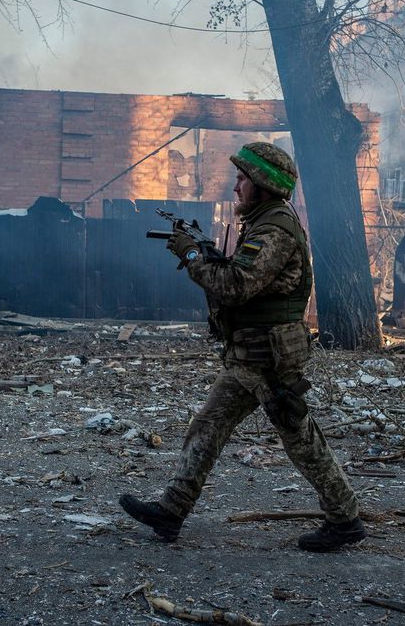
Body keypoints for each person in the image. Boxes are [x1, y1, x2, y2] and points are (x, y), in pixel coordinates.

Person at [119, 142, 365, 552]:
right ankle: (171, 511)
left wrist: (195, 256)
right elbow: (243, 277)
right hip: (248, 355)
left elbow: (236, 286)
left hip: (268, 358)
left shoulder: (274, 230)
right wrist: (209, 255)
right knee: (208, 426)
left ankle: (345, 519)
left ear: (262, 185)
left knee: (299, 437)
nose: (235, 187)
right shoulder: (263, 222)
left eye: (242, 179)